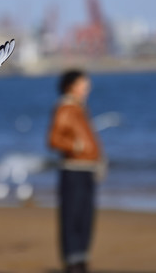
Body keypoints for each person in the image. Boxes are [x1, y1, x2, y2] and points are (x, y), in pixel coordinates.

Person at [48, 70, 106, 273]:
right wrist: (76, 145)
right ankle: (73, 262)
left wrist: (98, 159)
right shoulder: (64, 107)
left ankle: (81, 260)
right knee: (72, 217)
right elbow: (53, 140)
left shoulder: (80, 108)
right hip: (73, 170)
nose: (87, 89)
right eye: (83, 84)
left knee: (86, 217)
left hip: (87, 169)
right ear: (70, 86)